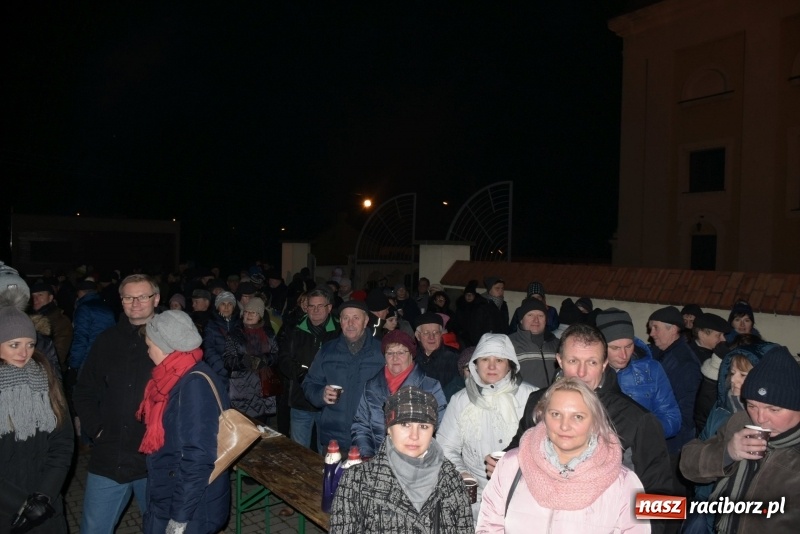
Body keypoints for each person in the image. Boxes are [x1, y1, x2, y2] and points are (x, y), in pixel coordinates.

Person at [476, 378, 649, 533]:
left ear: (595, 422)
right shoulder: (512, 465)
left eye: (578, 417)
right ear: (543, 415)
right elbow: (489, 527)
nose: (564, 426)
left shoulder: (625, 483)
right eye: (556, 414)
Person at [72, 274, 160, 532]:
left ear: (156, 299)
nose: (135, 303)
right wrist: (97, 429)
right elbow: (84, 390)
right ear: (121, 301)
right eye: (128, 297)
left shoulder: (170, 341)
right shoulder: (106, 340)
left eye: (142, 296)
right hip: (110, 456)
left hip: (155, 459)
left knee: (160, 528)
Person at [680, 345, 800, 533]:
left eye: (774, 409)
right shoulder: (740, 422)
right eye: (752, 405)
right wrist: (727, 453)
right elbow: (688, 465)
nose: (760, 418)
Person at [330, 386, 474, 533]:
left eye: (424, 426)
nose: (414, 436)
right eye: (405, 424)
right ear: (389, 428)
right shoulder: (356, 481)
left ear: (433, 430)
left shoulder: (451, 480)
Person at [138, 310, 230, 533]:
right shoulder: (175, 377)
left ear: (165, 346)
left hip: (189, 507)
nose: (147, 351)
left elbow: (198, 456)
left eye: (149, 345)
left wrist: (179, 518)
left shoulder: (194, 384)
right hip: (169, 492)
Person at [437, 333, 537, 519]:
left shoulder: (532, 397)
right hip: (478, 499)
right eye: (485, 359)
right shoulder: (460, 400)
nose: (491, 366)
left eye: (499, 360)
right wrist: (462, 474)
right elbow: (446, 446)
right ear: (475, 364)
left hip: (522, 494)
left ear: (510, 364)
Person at [0, 307, 74, 533]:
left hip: (46, 503)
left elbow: (63, 442)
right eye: (14, 345)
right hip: (6, 509)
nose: (24, 352)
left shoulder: (46, 378)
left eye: (30, 344)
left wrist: (44, 496)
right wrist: (23, 504)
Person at [301, 300, 385, 452]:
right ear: (340, 321)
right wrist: (321, 394)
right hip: (334, 438)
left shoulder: (381, 351)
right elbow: (309, 383)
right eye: (346, 318)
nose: (350, 323)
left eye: (356, 318)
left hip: (369, 439)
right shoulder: (328, 350)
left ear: (366, 321)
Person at [351, 330, 447, 458]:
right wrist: (367, 456)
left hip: (417, 461)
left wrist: (424, 459)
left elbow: (442, 430)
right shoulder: (371, 387)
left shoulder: (430, 387)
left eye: (401, 352)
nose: (395, 357)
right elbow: (361, 426)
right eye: (390, 353)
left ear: (411, 355)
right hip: (378, 459)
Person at [595, 307, 681, 438]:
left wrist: (642, 432)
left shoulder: (651, 369)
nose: (624, 355)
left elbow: (672, 418)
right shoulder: (586, 370)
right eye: (615, 348)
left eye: (629, 346)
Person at [278, 288, 340, 449]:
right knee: (299, 451)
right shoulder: (294, 328)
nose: (316, 310)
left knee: (327, 452)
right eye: (312, 306)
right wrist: (301, 375)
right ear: (306, 308)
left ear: (329, 307)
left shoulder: (339, 330)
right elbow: (283, 358)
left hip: (328, 403)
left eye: (320, 306)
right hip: (300, 399)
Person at [224, 297, 278, 423]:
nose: (248, 315)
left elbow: (276, 355)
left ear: (260, 316)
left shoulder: (268, 333)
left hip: (263, 388)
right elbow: (228, 360)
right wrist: (248, 361)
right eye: (246, 312)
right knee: (243, 426)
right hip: (242, 388)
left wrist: (265, 359)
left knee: (261, 426)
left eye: (253, 313)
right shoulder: (235, 334)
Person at [507, 297, 559, 388]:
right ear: (521, 320)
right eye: (530, 315)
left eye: (540, 316)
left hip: (554, 396)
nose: (536, 320)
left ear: (546, 320)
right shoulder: (508, 344)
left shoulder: (557, 344)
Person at [414, 312, 463, 400]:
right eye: (426, 333)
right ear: (418, 336)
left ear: (441, 335)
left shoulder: (454, 358)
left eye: (435, 332)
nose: (431, 337)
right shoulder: (411, 358)